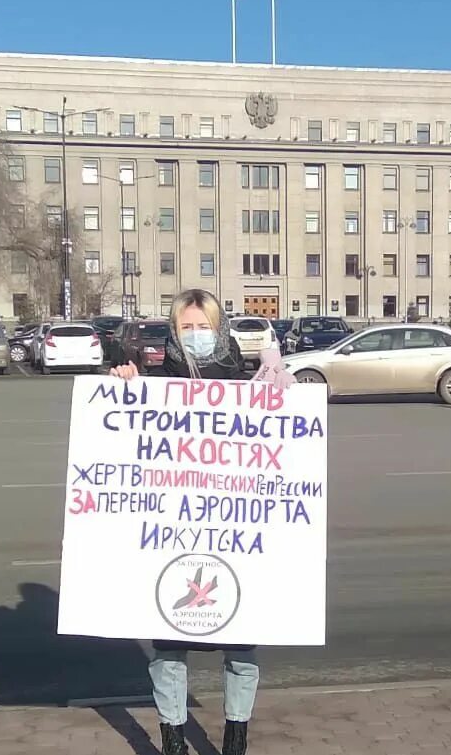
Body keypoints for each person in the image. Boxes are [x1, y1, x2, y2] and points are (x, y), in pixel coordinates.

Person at [111, 289, 294, 755]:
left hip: (234, 539)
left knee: (242, 652)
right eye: (186, 327)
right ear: (174, 331)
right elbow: (128, 440)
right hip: (175, 538)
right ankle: (173, 741)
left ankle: (236, 741)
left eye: (204, 326)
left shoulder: (246, 383)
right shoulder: (156, 381)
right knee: (169, 652)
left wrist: (283, 398)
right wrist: (123, 382)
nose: (196, 336)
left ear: (220, 329)